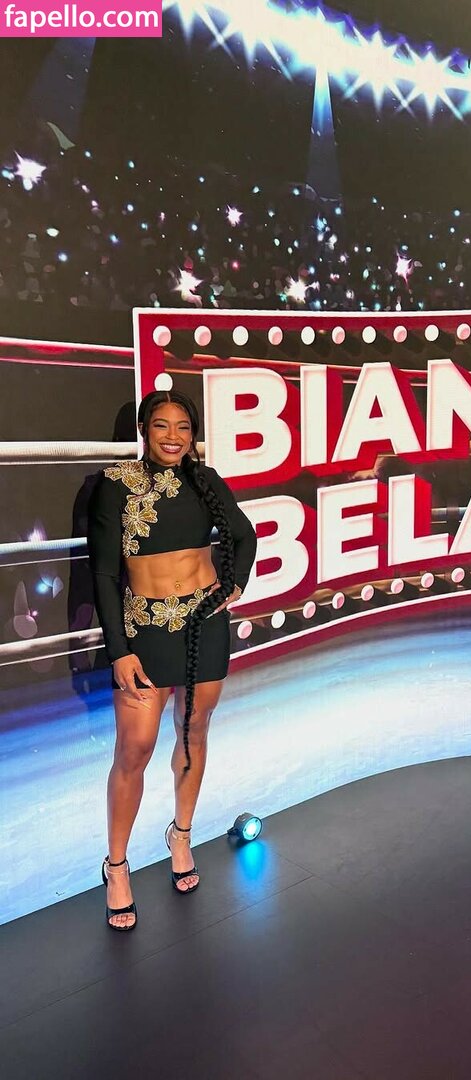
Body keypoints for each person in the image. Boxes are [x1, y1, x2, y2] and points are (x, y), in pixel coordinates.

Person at [86, 389, 257, 930]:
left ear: (193, 434)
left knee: (194, 732)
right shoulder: (115, 485)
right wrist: (119, 650)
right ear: (143, 429)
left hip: (205, 624)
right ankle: (116, 867)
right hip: (144, 631)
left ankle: (181, 836)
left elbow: (244, 535)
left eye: (183, 427)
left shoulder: (206, 481)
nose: (173, 437)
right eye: (161, 425)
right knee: (134, 749)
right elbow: (104, 574)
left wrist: (234, 584)